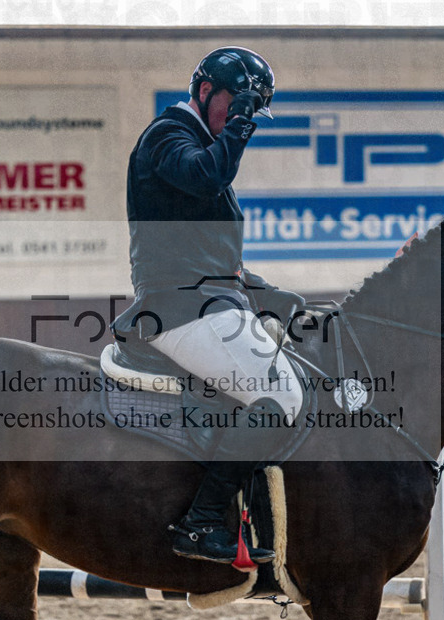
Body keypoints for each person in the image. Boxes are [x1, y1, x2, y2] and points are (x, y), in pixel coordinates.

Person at [111, 46, 305, 565]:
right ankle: (200, 523)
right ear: (204, 92)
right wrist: (240, 125)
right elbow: (205, 176)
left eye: (248, 111)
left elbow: (214, 259)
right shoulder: (166, 137)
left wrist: (267, 293)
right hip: (179, 309)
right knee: (281, 395)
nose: (241, 119)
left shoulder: (200, 141)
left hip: (210, 300)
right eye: (235, 105)